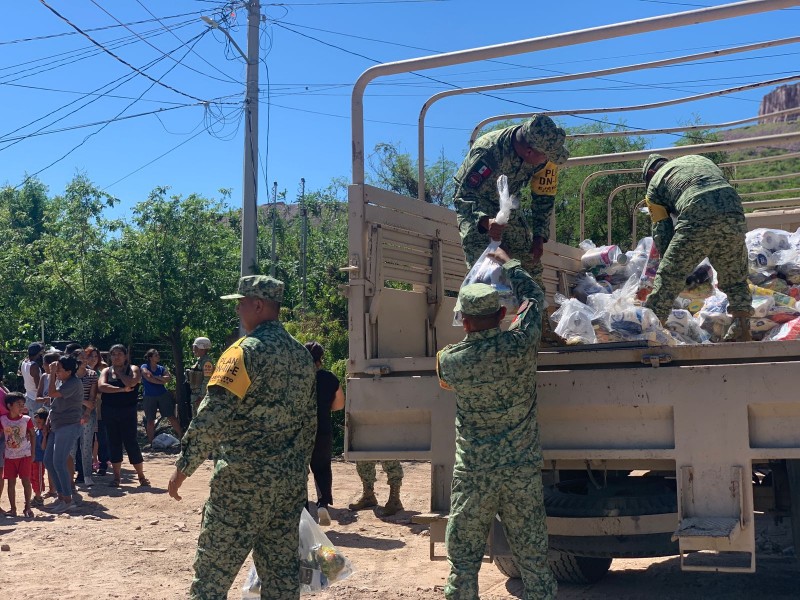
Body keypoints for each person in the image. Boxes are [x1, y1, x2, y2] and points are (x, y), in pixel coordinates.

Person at [168, 275, 316, 600]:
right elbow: (309, 425)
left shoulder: (244, 353)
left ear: (258, 305)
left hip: (240, 488)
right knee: (281, 584)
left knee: (210, 583)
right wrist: (295, 472)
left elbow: (212, 415)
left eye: (241, 301)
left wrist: (183, 468)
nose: (237, 308)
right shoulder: (302, 358)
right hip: (287, 490)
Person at [436, 247, 557, 600]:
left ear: (465, 321)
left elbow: (447, 371)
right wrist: (510, 263)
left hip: (474, 475)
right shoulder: (521, 344)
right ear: (502, 313)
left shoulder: (450, 362)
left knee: (462, 565)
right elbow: (535, 298)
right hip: (521, 472)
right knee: (534, 563)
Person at [641, 153, 753, 342]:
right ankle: (742, 327)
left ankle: (651, 329)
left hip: (696, 208)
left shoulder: (655, 184)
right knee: (735, 274)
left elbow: (663, 230)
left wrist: (676, 261)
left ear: (651, 172)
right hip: (733, 207)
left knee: (669, 274)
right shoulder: (699, 160)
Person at [453, 114, 569, 289]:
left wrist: (539, 236)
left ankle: (534, 311)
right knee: (485, 276)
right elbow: (463, 196)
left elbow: (543, 197)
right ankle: (487, 313)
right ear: (529, 151)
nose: (547, 160)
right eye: (545, 156)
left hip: (506, 206)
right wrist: (486, 221)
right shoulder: (488, 152)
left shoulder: (544, 159)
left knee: (529, 269)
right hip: (475, 208)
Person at [304, 341, 345, 526]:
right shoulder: (329, 378)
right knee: (322, 468)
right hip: (323, 430)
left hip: (299, 432)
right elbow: (339, 405)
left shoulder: (296, 378)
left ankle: (303, 511)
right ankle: (322, 504)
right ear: (321, 359)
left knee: (299, 472)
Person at [97, 345, 149, 488]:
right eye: (113, 354)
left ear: (125, 356)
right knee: (113, 443)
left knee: (131, 442)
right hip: (109, 411)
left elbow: (132, 382)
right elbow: (101, 387)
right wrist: (121, 390)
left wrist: (119, 374)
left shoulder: (133, 369)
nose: (116, 357)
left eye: (119, 354)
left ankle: (141, 476)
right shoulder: (106, 371)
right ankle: (116, 477)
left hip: (128, 411)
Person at [44, 355, 84, 514]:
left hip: (68, 425)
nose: (57, 371)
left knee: (59, 462)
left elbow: (51, 393)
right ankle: (61, 496)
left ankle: (68, 499)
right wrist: (48, 419)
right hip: (56, 425)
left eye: (60, 369)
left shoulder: (74, 383)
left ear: (68, 371)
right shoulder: (65, 381)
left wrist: (52, 374)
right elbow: (55, 402)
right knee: (48, 461)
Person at [2, 392, 36, 518]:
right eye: (18, 404)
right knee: (11, 483)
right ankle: (13, 509)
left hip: (24, 455)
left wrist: (32, 452)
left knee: (26, 481)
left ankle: (28, 507)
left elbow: (32, 434)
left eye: (23, 404)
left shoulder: (26, 420)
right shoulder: (2, 420)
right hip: (9, 456)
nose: (22, 407)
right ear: (9, 405)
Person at [141, 348, 182, 443]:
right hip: (149, 396)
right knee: (150, 420)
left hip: (163, 395)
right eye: (156, 355)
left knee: (171, 417)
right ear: (150, 357)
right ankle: (151, 442)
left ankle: (181, 437)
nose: (158, 357)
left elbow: (168, 378)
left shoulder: (161, 368)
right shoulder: (144, 366)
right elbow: (148, 378)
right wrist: (160, 380)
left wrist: (155, 377)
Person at [84, 346, 109, 476]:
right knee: (87, 439)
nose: (93, 359)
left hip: (100, 407)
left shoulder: (102, 371)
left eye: (95, 356)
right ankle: (88, 464)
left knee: (101, 437)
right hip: (85, 408)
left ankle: (103, 463)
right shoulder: (82, 371)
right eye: (90, 356)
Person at [186, 337, 214, 420]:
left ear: (202, 348)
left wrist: (201, 396)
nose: (193, 349)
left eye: (195, 347)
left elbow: (207, 380)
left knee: (201, 420)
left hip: (200, 396)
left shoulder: (206, 362)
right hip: (196, 395)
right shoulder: (200, 361)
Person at [31, 407, 49, 507]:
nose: (37, 424)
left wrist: (45, 437)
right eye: (36, 421)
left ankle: (38, 497)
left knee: (38, 478)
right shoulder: (37, 430)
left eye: (39, 422)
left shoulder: (43, 432)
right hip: (33, 459)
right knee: (32, 478)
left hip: (39, 459)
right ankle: (36, 496)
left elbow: (43, 447)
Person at [20, 342, 44, 415]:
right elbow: (38, 386)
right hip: (35, 398)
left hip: (28, 396)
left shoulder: (24, 362)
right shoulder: (34, 366)